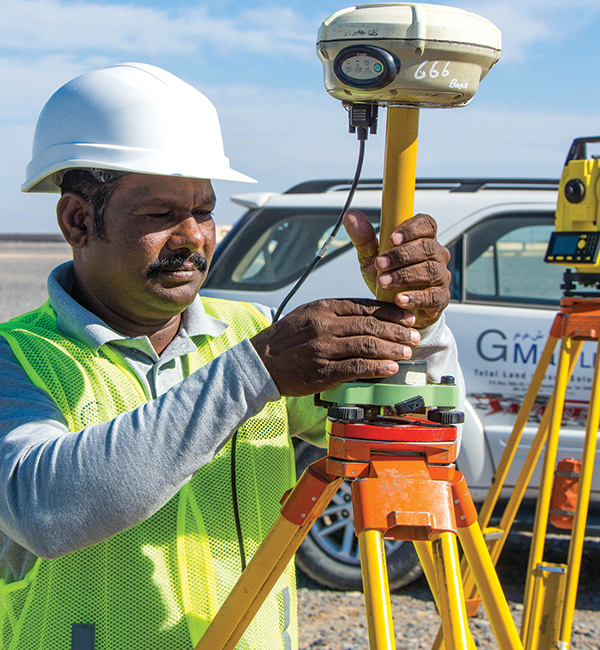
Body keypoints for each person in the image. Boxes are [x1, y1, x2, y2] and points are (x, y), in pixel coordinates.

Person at [0, 63, 462, 650]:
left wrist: (419, 321)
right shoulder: (18, 357)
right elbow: (45, 509)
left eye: (204, 211)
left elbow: (412, 427)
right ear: (77, 220)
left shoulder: (251, 332)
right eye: (159, 214)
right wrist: (256, 371)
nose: (194, 236)